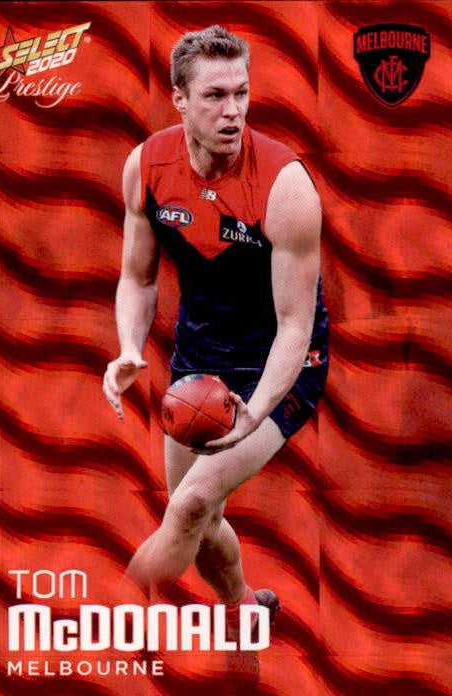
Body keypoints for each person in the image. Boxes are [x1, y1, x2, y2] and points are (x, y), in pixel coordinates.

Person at [103, 25, 328, 628]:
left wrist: (257, 410)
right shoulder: (147, 166)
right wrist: (129, 347)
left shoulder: (284, 185)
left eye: (241, 93)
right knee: (198, 520)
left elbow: (295, 325)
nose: (233, 110)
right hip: (200, 357)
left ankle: (106, 622)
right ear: (179, 99)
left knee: (190, 505)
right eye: (214, 95)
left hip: (280, 361)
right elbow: (138, 279)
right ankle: (243, 611)